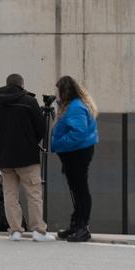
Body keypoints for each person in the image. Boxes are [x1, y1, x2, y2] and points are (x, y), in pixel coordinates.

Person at [0, 73, 50, 241]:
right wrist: (31, 141)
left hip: (4, 157)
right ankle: (38, 230)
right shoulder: (29, 102)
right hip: (27, 157)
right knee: (33, 193)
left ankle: (15, 230)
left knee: (10, 195)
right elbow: (41, 129)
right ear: (22, 85)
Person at [50, 76, 99, 242]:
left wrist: (59, 144)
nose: (56, 94)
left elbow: (78, 133)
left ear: (65, 91)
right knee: (76, 189)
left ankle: (82, 227)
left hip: (77, 153)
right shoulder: (73, 105)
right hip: (74, 153)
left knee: (80, 190)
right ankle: (76, 224)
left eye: (59, 90)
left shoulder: (76, 107)